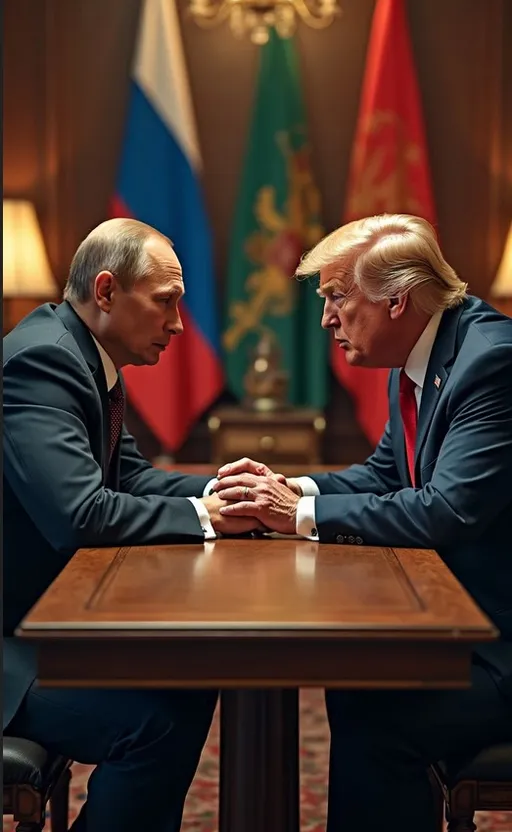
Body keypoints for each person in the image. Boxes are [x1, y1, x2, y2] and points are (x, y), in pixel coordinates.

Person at [211, 213, 512, 831]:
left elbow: (445, 508)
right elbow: (384, 474)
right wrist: (289, 488)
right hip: (456, 624)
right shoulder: (419, 353)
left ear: (397, 301)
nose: (325, 319)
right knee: (355, 690)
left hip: (500, 643)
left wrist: (295, 515)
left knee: (376, 722)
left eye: (337, 297)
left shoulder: (491, 365)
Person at [3, 217, 260, 832]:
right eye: (166, 302)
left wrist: (232, 490)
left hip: (48, 619)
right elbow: (81, 513)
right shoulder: (43, 361)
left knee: (190, 682)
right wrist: (207, 515)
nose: (177, 324)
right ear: (108, 291)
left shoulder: (85, 356)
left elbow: (133, 479)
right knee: (156, 720)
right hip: (12, 646)